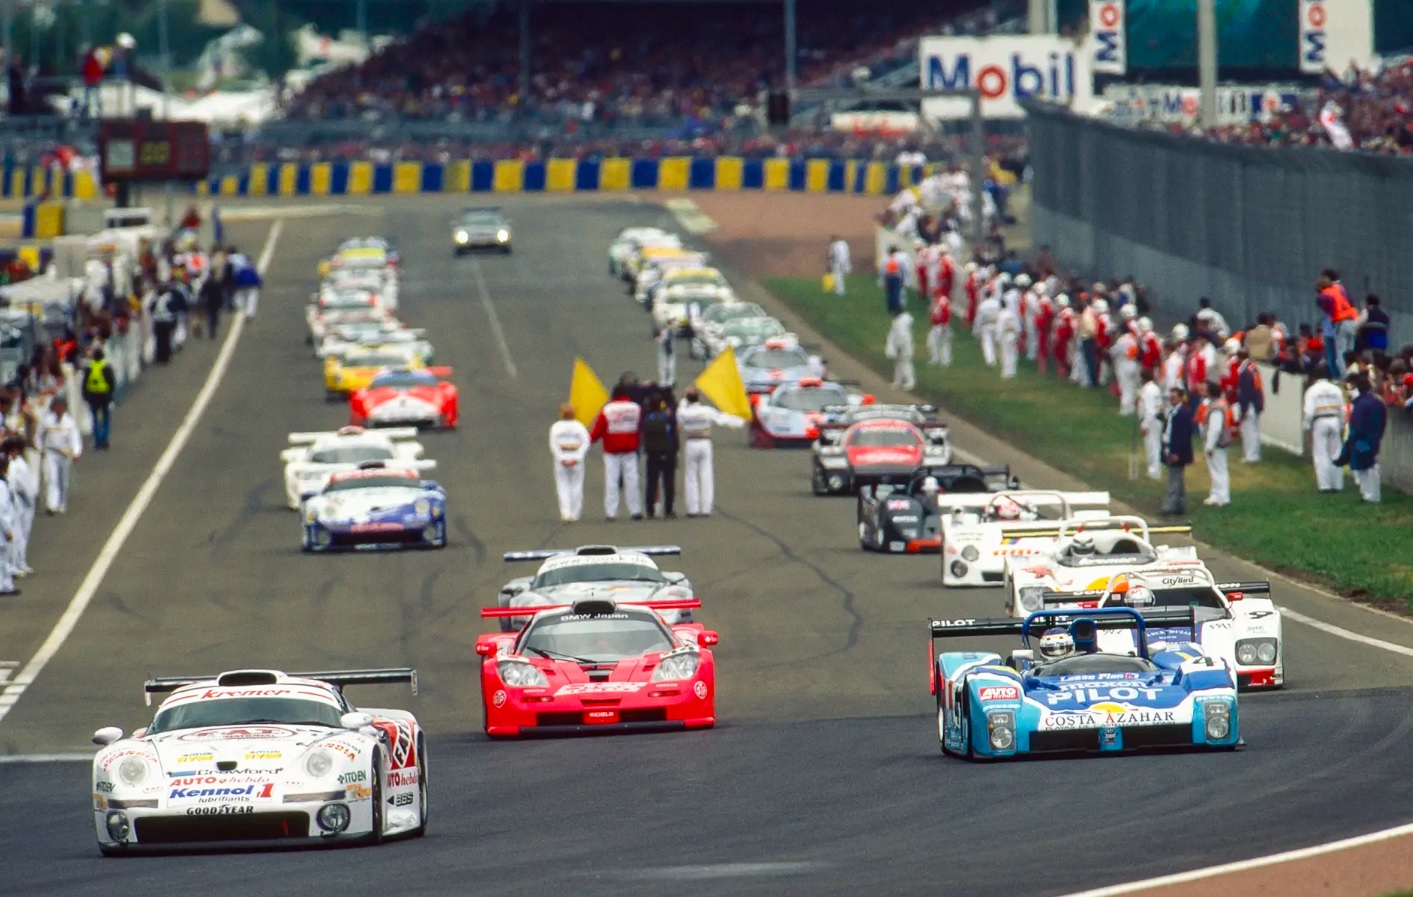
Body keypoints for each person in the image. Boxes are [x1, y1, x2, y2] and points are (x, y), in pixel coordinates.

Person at [676, 387, 745, 517]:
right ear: (699, 398)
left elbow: (680, 411)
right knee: (706, 475)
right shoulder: (707, 411)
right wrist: (740, 421)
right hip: (704, 442)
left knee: (691, 476)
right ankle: (706, 508)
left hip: (691, 442)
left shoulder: (683, 413)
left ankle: (692, 509)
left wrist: (685, 398)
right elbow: (722, 419)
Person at [588, 385, 644, 521]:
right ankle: (635, 510)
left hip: (611, 451)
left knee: (612, 480)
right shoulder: (636, 408)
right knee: (632, 480)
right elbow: (642, 426)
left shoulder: (607, 410)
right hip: (630, 450)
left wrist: (588, 441)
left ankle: (611, 512)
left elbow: (598, 430)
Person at [1339, 373, 1387, 503]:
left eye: (1350, 387)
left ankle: (1369, 495)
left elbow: (1357, 426)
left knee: (1364, 468)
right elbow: (1383, 421)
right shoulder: (1377, 401)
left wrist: (1350, 441)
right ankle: (1371, 494)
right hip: (1374, 437)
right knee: (1370, 465)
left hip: (1362, 438)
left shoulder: (1361, 404)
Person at [1302, 364, 1346, 493]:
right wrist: (1342, 424)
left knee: (1321, 454)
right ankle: (1337, 484)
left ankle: (1325, 485)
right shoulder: (1336, 389)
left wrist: (1307, 426)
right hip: (1334, 419)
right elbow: (1342, 409)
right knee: (1336, 453)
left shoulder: (1312, 390)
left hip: (1320, 421)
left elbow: (1309, 412)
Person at [39, 395, 81, 514]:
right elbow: (39, 435)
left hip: (65, 453)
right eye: (57, 407)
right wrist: (40, 448)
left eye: (61, 407)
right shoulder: (47, 421)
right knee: (52, 478)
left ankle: (62, 502)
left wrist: (76, 452)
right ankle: (52, 504)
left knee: (63, 480)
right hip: (51, 452)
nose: (59, 409)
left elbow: (75, 438)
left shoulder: (69, 422)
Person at [549, 403, 590, 523]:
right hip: (576, 459)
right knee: (577, 486)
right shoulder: (579, 426)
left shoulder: (556, 427)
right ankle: (575, 514)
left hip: (561, 460)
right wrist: (577, 458)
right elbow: (586, 442)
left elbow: (553, 444)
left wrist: (561, 458)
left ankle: (565, 512)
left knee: (563, 487)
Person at [640, 394, 679, 518]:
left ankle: (650, 510)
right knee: (668, 482)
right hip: (667, 452)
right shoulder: (668, 417)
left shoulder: (647, 418)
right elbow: (675, 432)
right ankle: (669, 510)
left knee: (651, 482)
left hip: (652, 452)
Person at [1159, 387, 1194, 516]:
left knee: (1174, 479)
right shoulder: (1173, 412)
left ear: (1180, 398)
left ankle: (1169, 506)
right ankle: (1180, 504)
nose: (1171, 400)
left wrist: (1176, 452)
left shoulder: (1183, 413)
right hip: (1170, 447)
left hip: (1177, 450)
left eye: (1174, 397)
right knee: (1177, 479)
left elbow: (1183, 435)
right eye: (1170, 397)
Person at [1315, 268, 1357, 375]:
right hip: (1351, 321)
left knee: (1336, 357)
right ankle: (1350, 375)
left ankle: (1342, 377)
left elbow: (1323, 304)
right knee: (1348, 354)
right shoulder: (1342, 289)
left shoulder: (1328, 292)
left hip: (1337, 325)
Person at [4, 437, 34, 577]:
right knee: (17, 535)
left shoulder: (18, 463)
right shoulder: (14, 465)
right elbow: (16, 486)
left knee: (23, 534)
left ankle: (20, 562)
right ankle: (14, 565)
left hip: (22, 501)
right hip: (18, 502)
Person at [1199, 380, 1231, 507]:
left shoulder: (1216, 408)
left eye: (1204, 389)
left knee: (1219, 470)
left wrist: (1209, 446)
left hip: (1216, 444)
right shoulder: (1217, 404)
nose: (1202, 391)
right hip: (1217, 443)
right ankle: (1216, 494)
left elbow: (1215, 429)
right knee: (1216, 470)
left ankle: (1222, 497)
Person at [81, 347, 115, 449]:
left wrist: (85, 396)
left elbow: (84, 383)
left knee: (95, 418)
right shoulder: (106, 367)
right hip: (104, 395)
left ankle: (97, 441)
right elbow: (111, 382)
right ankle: (105, 439)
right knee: (106, 417)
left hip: (93, 395)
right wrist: (111, 394)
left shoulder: (89, 368)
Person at [1235, 349, 1264, 463]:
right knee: (1254, 430)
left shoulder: (1245, 371)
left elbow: (1245, 392)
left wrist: (1243, 409)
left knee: (1249, 430)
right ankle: (1254, 454)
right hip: (1256, 403)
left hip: (1250, 404)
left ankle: (1251, 455)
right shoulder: (1254, 368)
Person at [1138, 368, 1163, 480]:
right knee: (1154, 445)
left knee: (1152, 446)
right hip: (1155, 419)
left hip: (1151, 420)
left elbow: (1150, 410)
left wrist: (1145, 425)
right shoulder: (1154, 388)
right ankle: (1153, 470)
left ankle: (1154, 471)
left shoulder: (1148, 391)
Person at [885, 308, 916, 390]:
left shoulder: (901, 322)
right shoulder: (900, 321)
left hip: (905, 346)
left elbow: (902, 335)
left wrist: (899, 346)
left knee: (905, 364)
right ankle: (898, 382)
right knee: (898, 364)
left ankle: (910, 382)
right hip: (902, 345)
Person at [0, 454, 16, 596]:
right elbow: (2, 511)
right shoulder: (2, 487)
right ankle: (4, 585)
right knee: (3, 559)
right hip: (2, 531)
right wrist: (8, 531)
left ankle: (6, 585)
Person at [974, 287, 1000, 368]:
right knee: (995, 343)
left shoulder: (982, 305)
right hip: (996, 324)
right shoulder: (997, 303)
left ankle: (990, 361)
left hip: (986, 325)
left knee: (987, 343)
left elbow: (979, 319)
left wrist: (976, 330)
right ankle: (995, 358)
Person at [231, 247, 261, 318]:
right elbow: (257, 277)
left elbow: (237, 278)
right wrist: (259, 284)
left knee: (238, 297)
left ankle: (241, 308)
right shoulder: (252, 268)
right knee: (252, 299)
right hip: (252, 286)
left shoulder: (240, 269)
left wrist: (235, 284)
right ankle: (249, 313)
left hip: (241, 285)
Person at [997, 294, 1021, 379]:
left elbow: (1000, 327)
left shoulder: (1001, 315)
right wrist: (1017, 334)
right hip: (1013, 334)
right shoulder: (1011, 313)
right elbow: (1016, 325)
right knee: (1013, 353)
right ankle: (1012, 371)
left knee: (1006, 353)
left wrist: (998, 338)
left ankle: (1006, 372)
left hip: (1006, 335)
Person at [927, 288, 952, 367]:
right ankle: (944, 360)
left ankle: (938, 359)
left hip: (940, 326)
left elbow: (945, 313)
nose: (932, 294)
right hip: (940, 325)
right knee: (943, 343)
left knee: (933, 342)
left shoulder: (941, 300)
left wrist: (944, 324)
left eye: (933, 293)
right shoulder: (938, 300)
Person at [198, 267, 224, 339]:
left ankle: (211, 328)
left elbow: (202, 292)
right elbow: (220, 293)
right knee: (215, 316)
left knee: (210, 316)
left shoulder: (207, 282)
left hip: (208, 301)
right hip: (216, 301)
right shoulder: (217, 282)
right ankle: (214, 329)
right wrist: (221, 301)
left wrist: (202, 299)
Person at [654, 323, 676, 387]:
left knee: (669, 364)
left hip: (669, 348)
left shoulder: (670, 332)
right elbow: (658, 339)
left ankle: (669, 380)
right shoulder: (664, 332)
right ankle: (664, 380)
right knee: (663, 365)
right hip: (664, 349)